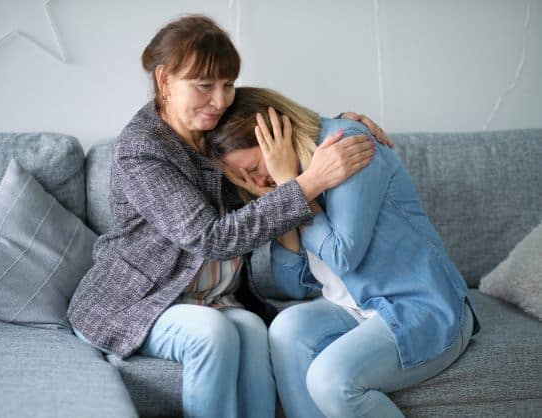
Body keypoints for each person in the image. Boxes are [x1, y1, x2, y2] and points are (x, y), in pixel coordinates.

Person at [67, 15, 388, 418]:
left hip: (213, 299)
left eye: (227, 84)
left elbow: (282, 124)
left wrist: (341, 127)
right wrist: (307, 185)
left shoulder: (217, 128)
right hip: (138, 302)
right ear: (165, 81)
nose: (220, 100)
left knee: (253, 330)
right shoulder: (142, 150)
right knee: (211, 333)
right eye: (204, 86)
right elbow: (211, 238)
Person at [206, 86, 481, 418]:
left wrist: (291, 186)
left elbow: (342, 255)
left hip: (422, 307)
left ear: (278, 134)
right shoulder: (288, 181)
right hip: (357, 310)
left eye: (253, 167)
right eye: (243, 178)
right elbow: (291, 285)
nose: (255, 181)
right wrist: (286, 197)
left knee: (329, 380)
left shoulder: (347, 143)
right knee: (285, 329)